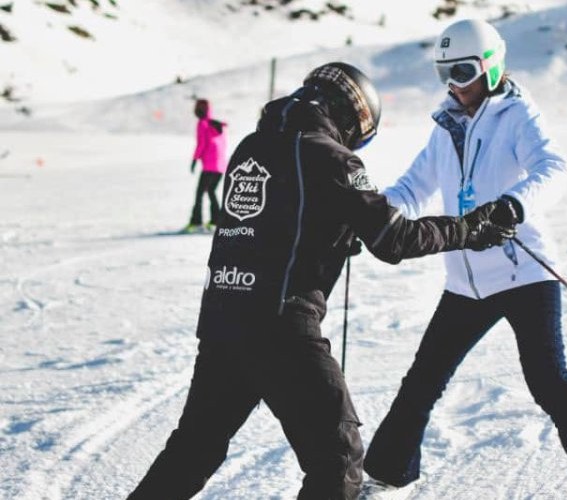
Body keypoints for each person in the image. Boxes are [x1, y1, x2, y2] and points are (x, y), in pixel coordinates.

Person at [127, 62, 512, 500]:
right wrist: (469, 228)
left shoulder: (251, 147)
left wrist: (329, 232)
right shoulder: (331, 157)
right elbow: (394, 239)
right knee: (339, 459)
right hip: (282, 330)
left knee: (194, 450)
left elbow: (267, 227)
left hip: (222, 322)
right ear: (352, 116)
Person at [361, 19, 567, 499]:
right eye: (445, 74)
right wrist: (370, 218)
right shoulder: (445, 126)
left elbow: (553, 168)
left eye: (465, 71)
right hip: (465, 284)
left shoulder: (517, 114)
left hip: (524, 273)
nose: (455, 84)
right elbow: (411, 189)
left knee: (548, 381)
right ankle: (385, 481)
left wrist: (512, 205)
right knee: (422, 383)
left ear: (491, 67)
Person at [185, 98, 228, 233]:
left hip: (209, 166)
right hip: (221, 166)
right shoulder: (217, 125)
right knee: (211, 191)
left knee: (200, 193)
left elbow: (201, 144)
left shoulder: (202, 124)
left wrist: (194, 160)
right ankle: (216, 221)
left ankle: (196, 222)